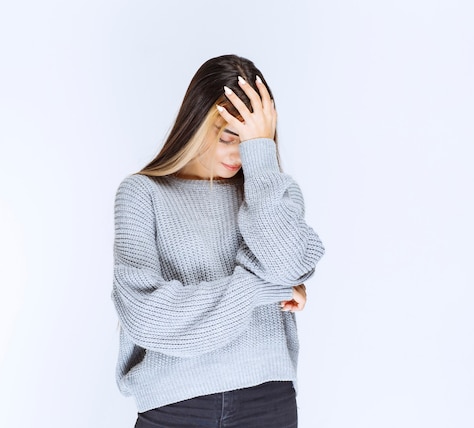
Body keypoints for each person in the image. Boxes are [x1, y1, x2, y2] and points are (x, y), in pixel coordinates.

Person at [111, 54, 324, 428]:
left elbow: (290, 265)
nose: (240, 154)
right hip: (175, 407)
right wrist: (263, 287)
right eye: (230, 137)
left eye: (254, 141)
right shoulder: (142, 194)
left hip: (268, 400)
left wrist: (263, 162)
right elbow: (146, 316)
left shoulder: (271, 192)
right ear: (196, 123)